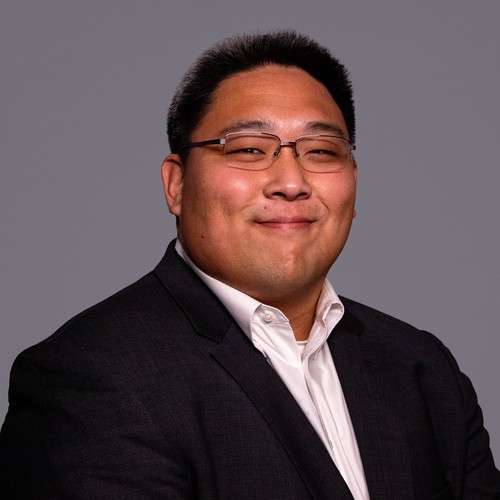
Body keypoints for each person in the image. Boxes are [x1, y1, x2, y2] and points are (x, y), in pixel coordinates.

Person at [0, 30, 498, 499]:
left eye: (322, 151)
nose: (291, 182)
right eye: (249, 149)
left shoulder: (422, 368)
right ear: (176, 184)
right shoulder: (92, 375)